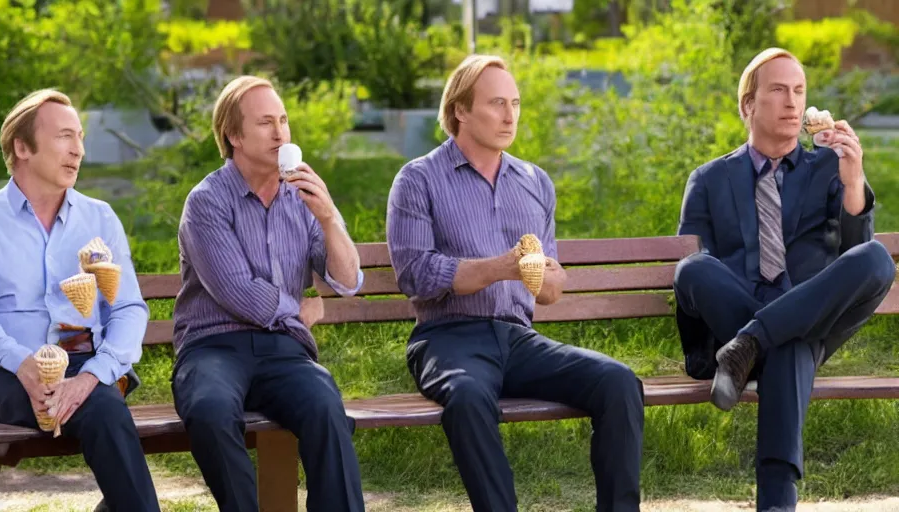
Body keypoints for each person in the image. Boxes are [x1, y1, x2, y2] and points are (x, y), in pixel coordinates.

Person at [385, 54, 644, 512]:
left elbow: (548, 283)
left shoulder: (534, 181)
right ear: (461, 110)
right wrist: (500, 267)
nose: (510, 116)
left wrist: (550, 279)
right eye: (497, 103)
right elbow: (416, 276)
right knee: (466, 398)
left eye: (516, 103)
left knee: (619, 381)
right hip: (448, 339)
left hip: (519, 338)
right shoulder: (418, 179)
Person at [673, 47, 896, 511]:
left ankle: (754, 340)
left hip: (804, 316)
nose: (793, 103)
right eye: (778, 90)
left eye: (799, 91)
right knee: (695, 268)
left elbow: (855, 251)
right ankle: (754, 340)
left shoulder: (829, 168)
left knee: (876, 259)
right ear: (747, 105)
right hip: (736, 324)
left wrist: (854, 180)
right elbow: (693, 284)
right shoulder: (708, 179)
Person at [0, 89, 160, 511]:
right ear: (22, 147)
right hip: (4, 376)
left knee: (102, 408)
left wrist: (92, 375)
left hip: (87, 371)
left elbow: (129, 308)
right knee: (107, 415)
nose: (78, 149)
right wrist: (27, 366)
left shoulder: (99, 218)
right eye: (63, 136)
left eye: (79, 137)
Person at [171, 75, 366, 512]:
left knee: (325, 406)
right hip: (212, 347)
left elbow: (347, 281)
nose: (280, 132)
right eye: (265, 123)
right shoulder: (207, 202)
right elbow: (239, 292)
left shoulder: (302, 198)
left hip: (282, 350)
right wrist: (296, 310)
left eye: (283, 120)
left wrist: (330, 217)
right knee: (210, 410)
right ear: (234, 135)